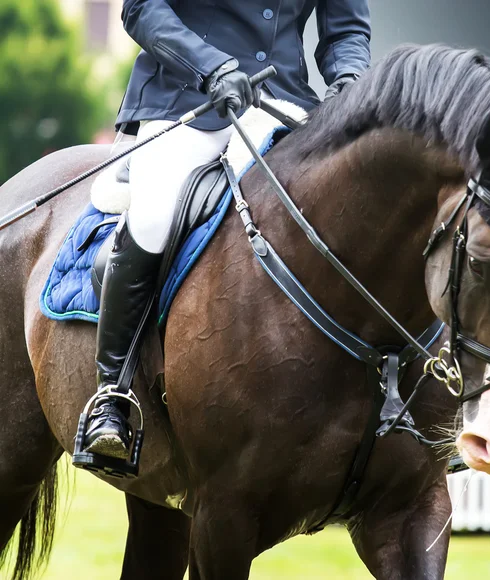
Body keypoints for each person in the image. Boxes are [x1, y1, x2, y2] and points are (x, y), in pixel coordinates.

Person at [78, 0, 372, 469]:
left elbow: (346, 30)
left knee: (358, 213)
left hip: (286, 105)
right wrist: (210, 66)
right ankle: (111, 396)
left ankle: (392, 407)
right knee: (154, 215)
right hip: (189, 101)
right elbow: (142, 9)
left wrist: (350, 81)